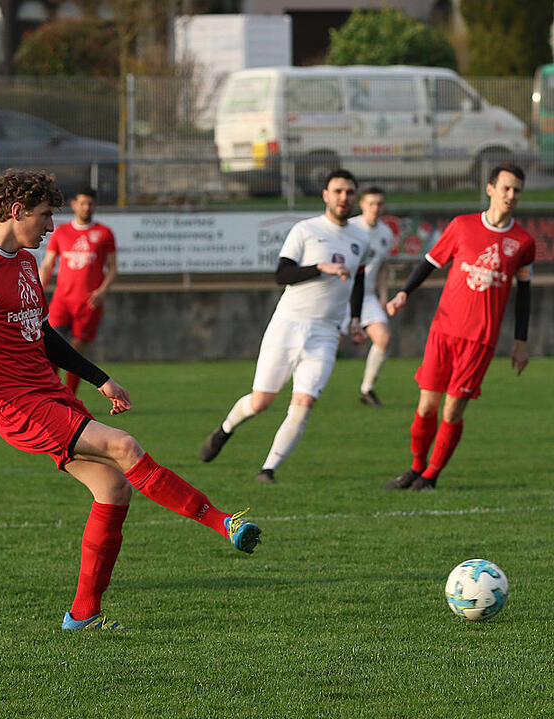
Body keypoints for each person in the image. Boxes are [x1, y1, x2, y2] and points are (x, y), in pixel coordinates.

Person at [0, 169, 260, 631]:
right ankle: (223, 523)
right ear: (16, 212)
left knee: (113, 488)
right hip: (13, 404)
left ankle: (83, 615)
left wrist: (101, 380)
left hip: (49, 393)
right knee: (125, 446)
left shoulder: (21, 261)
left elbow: (45, 336)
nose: (51, 227)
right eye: (44, 216)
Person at [199, 169, 368, 484]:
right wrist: (319, 267)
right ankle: (225, 430)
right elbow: (282, 274)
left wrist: (355, 320)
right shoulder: (306, 229)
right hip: (289, 324)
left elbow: (358, 279)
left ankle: (268, 470)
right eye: (338, 191)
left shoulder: (360, 237)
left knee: (303, 403)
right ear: (326, 195)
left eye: (349, 192)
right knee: (261, 401)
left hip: (327, 333)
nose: (344, 198)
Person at [384, 164, 534, 491]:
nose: (511, 195)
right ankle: (414, 468)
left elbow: (524, 295)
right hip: (444, 330)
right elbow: (430, 262)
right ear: (490, 189)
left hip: (480, 340)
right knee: (426, 406)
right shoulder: (462, 226)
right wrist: (403, 293)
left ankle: (431, 477)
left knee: (452, 409)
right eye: (506, 188)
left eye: (517, 190)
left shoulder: (522, 242)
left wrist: (521, 341)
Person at [37, 186, 117, 396]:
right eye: (82, 203)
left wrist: (102, 291)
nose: (86, 207)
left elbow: (113, 268)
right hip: (62, 300)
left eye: (90, 203)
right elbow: (47, 265)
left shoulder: (104, 233)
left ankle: (70, 396)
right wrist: (37, 290)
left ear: (95, 205)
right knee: (51, 347)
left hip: (89, 302)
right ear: (74, 205)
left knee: (76, 352)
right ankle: (53, 394)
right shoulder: (62, 232)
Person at [348, 186, 395, 408]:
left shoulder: (386, 232)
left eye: (379, 204)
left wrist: (383, 295)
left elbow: (383, 267)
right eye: (371, 203)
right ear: (362, 204)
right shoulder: (351, 228)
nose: (375, 208)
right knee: (328, 343)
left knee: (383, 338)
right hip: (342, 295)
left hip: (366, 296)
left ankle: (366, 390)